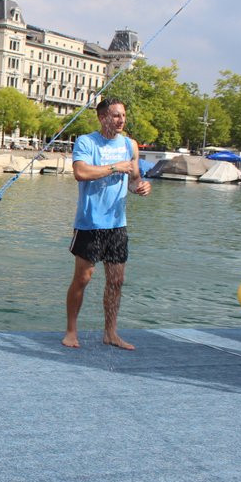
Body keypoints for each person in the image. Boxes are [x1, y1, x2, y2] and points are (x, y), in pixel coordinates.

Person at [62, 97, 151, 350]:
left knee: (116, 280)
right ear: (102, 118)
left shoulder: (129, 145)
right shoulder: (87, 142)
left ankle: (110, 332)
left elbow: (134, 178)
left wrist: (141, 186)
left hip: (117, 224)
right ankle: (71, 331)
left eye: (123, 115)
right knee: (83, 278)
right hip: (90, 223)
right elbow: (80, 173)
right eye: (115, 116)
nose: (120, 120)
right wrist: (114, 167)